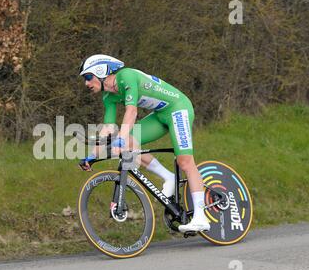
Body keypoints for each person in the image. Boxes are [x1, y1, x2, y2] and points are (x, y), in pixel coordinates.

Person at [78, 54, 210, 232]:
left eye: (88, 77)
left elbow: (131, 112)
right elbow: (107, 129)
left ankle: (201, 217)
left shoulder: (126, 76)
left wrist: (121, 137)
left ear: (101, 72)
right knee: (131, 143)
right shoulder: (108, 97)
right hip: (160, 115)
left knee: (185, 161)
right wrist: (91, 156)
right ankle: (169, 177)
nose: (86, 83)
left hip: (178, 108)